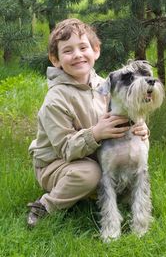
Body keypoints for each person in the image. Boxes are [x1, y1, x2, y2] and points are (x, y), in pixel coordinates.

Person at [27, 18, 149, 228]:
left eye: (83, 47)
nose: (77, 55)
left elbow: (127, 111)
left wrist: (140, 125)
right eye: (68, 51)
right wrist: (96, 134)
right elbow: (65, 149)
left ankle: (94, 196)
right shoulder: (55, 99)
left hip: (90, 155)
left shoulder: (104, 84)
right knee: (90, 174)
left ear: (96, 51)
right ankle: (45, 206)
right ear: (55, 59)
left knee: (118, 164)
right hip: (56, 164)